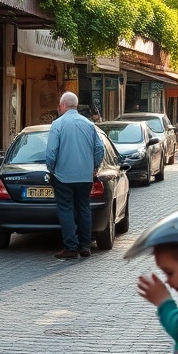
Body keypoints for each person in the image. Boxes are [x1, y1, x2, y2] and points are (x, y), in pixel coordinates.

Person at [45, 91, 105, 259]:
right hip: (85, 176)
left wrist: (51, 169)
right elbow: (100, 149)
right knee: (84, 207)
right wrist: (94, 167)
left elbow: (51, 152)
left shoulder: (58, 124)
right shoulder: (89, 124)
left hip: (63, 175)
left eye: (59, 105)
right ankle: (85, 246)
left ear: (63, 105)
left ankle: (71, 247)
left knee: (65, 208)